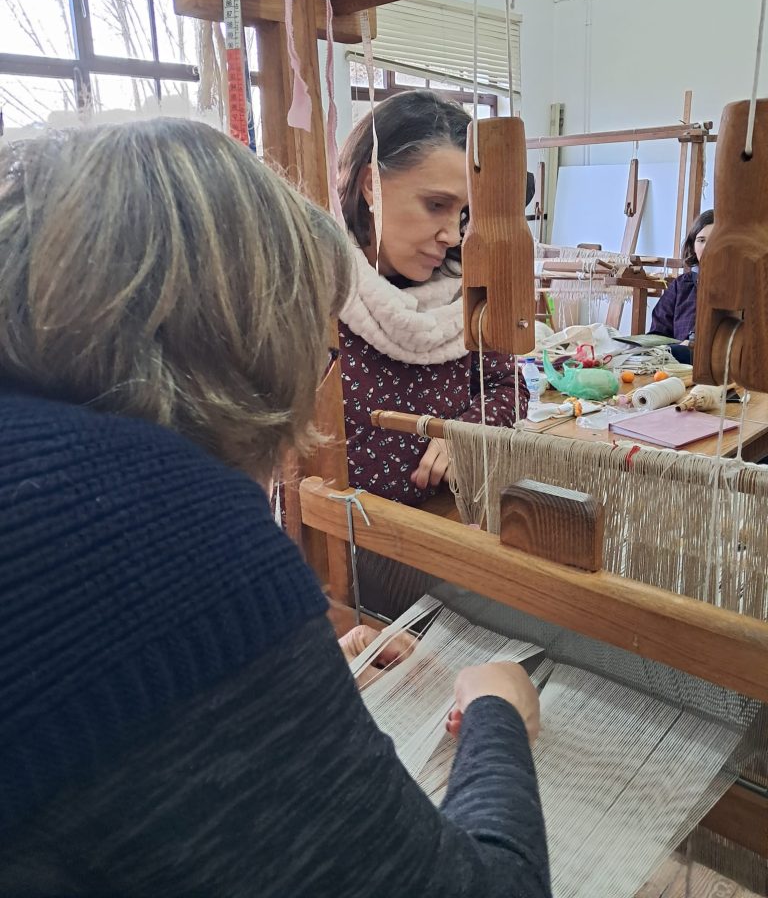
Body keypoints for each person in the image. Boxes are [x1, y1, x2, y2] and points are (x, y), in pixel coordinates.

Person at [0, 119, 551, 898]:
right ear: (244, 340)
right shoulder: (154, 526)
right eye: (313, 347)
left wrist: (279, 679)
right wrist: (497, 711)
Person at [338, 91, 529, 616]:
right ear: (370, 185)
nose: (451, 234)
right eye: (436, 205)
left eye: (464, 213)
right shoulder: (316, 292)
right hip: (340, 560)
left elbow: (507, 385)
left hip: (442, 537)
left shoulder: (466, 294)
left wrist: (462, 433)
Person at [650, 209, 714, 357]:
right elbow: (656, 336)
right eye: (701, 240)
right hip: (678, 365)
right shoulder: (680, 286)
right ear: (693, 246)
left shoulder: (743, 287)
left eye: (715, 239)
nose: (707, 247)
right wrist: (681, 347)